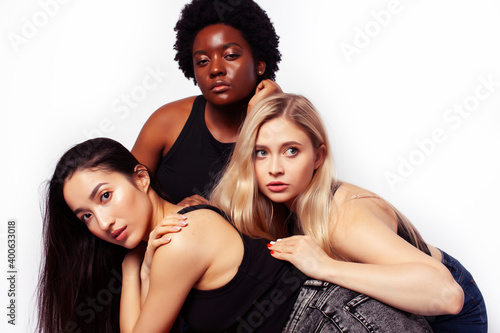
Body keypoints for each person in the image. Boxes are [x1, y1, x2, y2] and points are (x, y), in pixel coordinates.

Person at [37, 137, 434, 332]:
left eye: (106, 196)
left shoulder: (180, 238)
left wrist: (133, 270)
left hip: (339, 322)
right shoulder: (179, 223)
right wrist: (136, 267)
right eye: (86, 215)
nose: (103, 222)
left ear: (141, 177)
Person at [210, 93, 488, 333]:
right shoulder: (268, 206)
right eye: (261, 153)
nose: (275, 168)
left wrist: (323, 266)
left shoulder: (342, 216)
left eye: (291, 151)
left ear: (318, 156)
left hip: (445, 313)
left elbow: (448, 295)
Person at [131, 0, 282, 205]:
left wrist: (275, 109)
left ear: (259, 65)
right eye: (202, 61)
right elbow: (127, 195)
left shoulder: (282, 124)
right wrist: (173, 212)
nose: (215, 69)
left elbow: (295, 208)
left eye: (230, 55)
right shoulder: (166, 122)